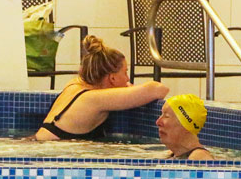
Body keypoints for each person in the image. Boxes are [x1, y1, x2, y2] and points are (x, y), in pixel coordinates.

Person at [34, 35, 168, 141]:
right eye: (125, 72)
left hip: (36, 142)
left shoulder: (74, 85)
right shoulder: (95, 99)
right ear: (112, 78)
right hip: (51, 150)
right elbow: (159, 89)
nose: (128, 79)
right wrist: (128, 88)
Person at [156, 94, 215, 161]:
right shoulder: (175, 154)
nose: (158, 122)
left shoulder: (199, 157)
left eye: (166, 116)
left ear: (186, 126)